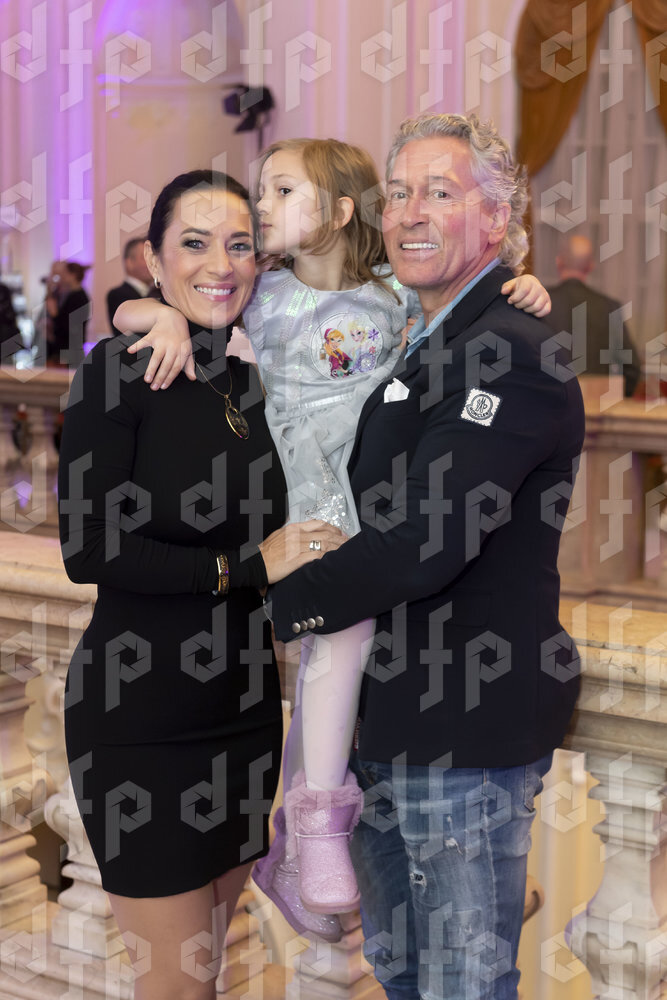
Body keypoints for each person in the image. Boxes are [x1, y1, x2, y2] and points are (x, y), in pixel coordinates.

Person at [113, 137, 552, 947]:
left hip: (363, 502)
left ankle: (313, 831)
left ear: (340, 211)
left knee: (353, 659)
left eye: (281, 192)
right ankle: (313, 823)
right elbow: (132, 310)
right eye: (263, 191)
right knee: (336, 648)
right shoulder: (261, 290)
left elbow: (464, 299)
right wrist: (161, 316)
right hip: (295, 509)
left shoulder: (390, 293)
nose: (262, 208)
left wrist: (519, 280)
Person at [260, 114, 586, 1000]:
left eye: (439, 192)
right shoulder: (421, 330)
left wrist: (261, 607)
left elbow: (422, 544)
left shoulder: (509, 352)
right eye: (398, 191)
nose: (408, 211)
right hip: (388, 722)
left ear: (496, 218)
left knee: (461, 985)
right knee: (402, 974)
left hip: (462, 733)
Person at [57, 169, 343, 1000]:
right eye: (193, 243)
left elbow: (371, 298)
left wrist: (511, 279)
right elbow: (89, 548)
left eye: (239, 244)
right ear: (152, 259)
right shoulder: (118, 375)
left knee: (209, 974)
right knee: (177, 987)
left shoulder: (254, 379)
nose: (220, 264)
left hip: (243, 716)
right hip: (140, 722)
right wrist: (249, 567)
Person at [546, 234, 640, 396]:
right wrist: (614, 398)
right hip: (598, 404)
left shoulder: (540, 304)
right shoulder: (609, 307)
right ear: (590, 266)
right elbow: (632, 369)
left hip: (550, 403)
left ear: (559, 262)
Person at [106, 237, 155, 336]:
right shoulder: (118, 295)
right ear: (129, 263)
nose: (152, 263)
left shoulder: (158, 291)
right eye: (145, 257)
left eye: (153, 257)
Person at [46, 260, 91, 367]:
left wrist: (54, 314)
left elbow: (71, 328)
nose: (62, 276)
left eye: (65, 273)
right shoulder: (70, 294)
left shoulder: (79, 298)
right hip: (66, 350)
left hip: (69, 351)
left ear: (73, 275)